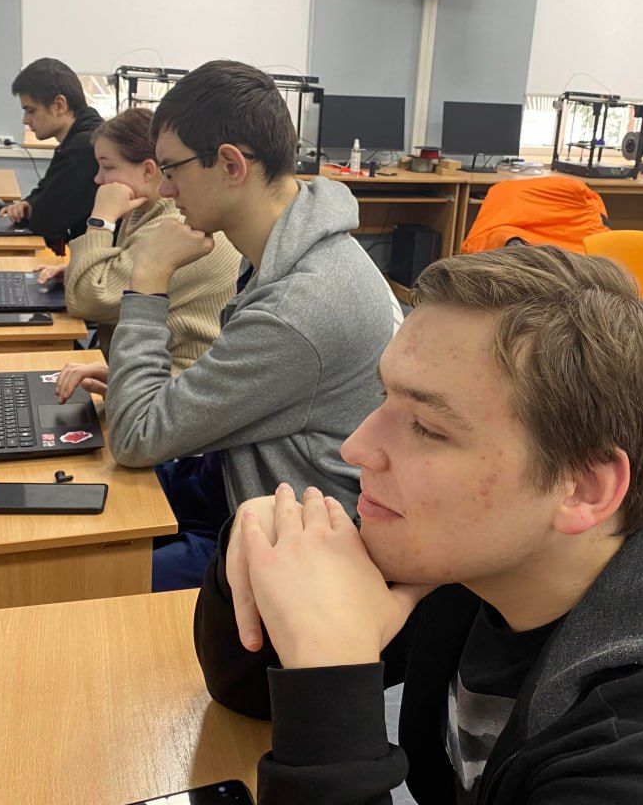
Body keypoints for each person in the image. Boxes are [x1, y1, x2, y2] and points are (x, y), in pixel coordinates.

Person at [194, 245, 643, 804]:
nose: (356, 448)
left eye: (428, 427)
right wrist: (261, 548)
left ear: (585, 488)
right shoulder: (498, 540)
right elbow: (248, 692)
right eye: (385, 398)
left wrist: (331, 675)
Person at [55, 59, 401, 591]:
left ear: (230, 164)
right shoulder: (289, 249)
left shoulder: (299, 305)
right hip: (237, 479)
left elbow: (136, 436)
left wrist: (148, 278)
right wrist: (152, 387)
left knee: (72, 578)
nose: (166, 190)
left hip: (291, 545)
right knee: (68, 500)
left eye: (171, 170)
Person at [36, 107, 240, 364]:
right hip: (143, 367)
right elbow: (114, 279)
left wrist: (100, 219)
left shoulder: (177, 227)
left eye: (107, 167)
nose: (98, 178)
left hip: (174, 376)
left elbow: (86, 301)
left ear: (147, 170)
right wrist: (77, 270)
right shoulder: (145, 212)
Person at [1, 57, 103, 251]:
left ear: (59, 105)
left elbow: (45, 222)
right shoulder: (78, 138)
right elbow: (46, 189)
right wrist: (29, 204)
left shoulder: (84, 147)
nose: (25, 120)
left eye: (31, 111)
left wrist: (34, 210)